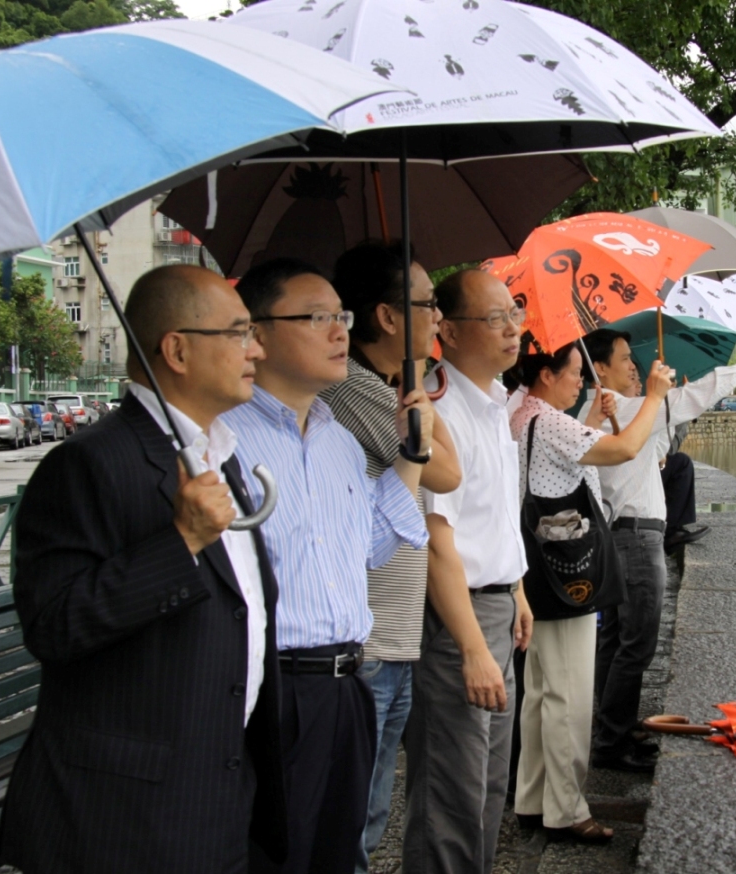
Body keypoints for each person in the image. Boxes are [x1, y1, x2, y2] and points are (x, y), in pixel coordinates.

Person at [1, 265, 287, 873]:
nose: (257, 349)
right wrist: (181, 541)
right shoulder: (88, 463)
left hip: (216, 797)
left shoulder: (217, 455)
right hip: (121, 820)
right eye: (239, 333)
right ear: (177, 351)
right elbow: (53, 624)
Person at [223, 258, 434, 874]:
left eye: (341, 315)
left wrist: (413, 452)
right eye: (318, 318)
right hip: (274, 687)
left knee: (340, 852)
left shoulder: (338, 439)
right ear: (257, 334)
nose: (341, 330)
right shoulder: (224, 440)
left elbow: (370, 547)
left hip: (349, 682)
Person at [579, 330, 736, 772]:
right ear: (599, 368)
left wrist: (660, 409)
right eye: (625, 359)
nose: (634, 367)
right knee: (636, 646)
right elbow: (701, 394)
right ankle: (612, 740)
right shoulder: (626, 409)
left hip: (615, 536)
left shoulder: (606, 413)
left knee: (614, 642)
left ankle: (612, 729)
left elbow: (656, 450)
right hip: (636, 538)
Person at [321, 242, 462, 871]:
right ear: (385, 316)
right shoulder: (357, 391)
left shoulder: (384, 390)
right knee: (353, 822)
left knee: (371, 815)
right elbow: (449, 474)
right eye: (427, 304)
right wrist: (420, 395)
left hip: (393, 639)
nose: (438, 317)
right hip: (371, 643)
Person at [509, 341, 671, 842]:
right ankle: (566, 810)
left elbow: (560, 467)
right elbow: (624, 449)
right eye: (574, 372)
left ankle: (533, 798)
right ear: (545, 374)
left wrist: (596, 421)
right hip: (569, 573)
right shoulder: (550, 421)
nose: (580, 381)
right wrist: (654, 397)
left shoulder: (520, 414)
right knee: (570, 695)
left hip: (535, 566)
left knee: (541, 691)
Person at [403, 269, 534, 874]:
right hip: (459, 619)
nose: (512, 329)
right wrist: (473, 648)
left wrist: (518, 590)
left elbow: (497, 516)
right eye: (495, 318)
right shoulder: (438, 411)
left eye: (514, 314)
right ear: (449, 332)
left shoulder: (494, 403)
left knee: (487, 790)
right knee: (450, 796)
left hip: (497, 607)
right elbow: (438, 542)